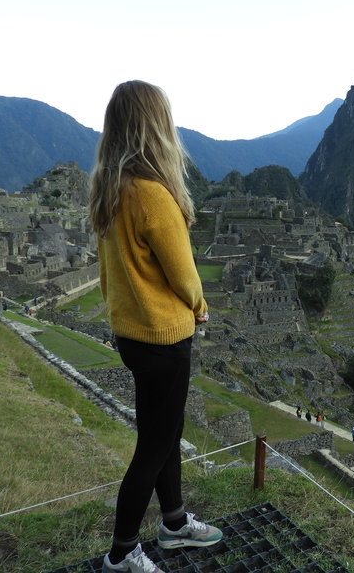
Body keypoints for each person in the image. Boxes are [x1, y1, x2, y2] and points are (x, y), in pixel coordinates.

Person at [90, 80, 222, 573]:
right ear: (156, 126)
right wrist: (199, 305)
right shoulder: (152, 195)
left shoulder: (110, 191)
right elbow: (183, 273)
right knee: (153, 446)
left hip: (131, 334)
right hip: (164, 336)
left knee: (165, 431)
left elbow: (109, 273)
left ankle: (174, 521)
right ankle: (122, 552)